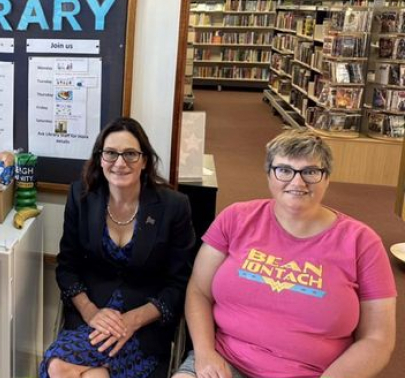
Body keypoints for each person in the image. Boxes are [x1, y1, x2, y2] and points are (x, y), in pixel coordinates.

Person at [173, 129, 397, 378]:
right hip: (224, 363)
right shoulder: (235, 219)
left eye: (310, 172)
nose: (297, 182)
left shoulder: (362, 243)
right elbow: (199, 291)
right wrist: (204, 354)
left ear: (327, 178)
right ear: (269, 175)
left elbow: (378, 338)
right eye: (285, 170)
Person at [41, 117, 195, 378]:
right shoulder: (82, 197)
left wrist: (131, 321)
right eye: (111, 153)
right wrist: (91, 313)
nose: (120, 163)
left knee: (83, 373)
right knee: (59, 366)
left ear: (145, 161)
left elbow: (179, 284)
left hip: (144, 324)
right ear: (100, 159)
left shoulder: (173, 207)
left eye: (131, 154)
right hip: (92, 314)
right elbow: (67, 267)